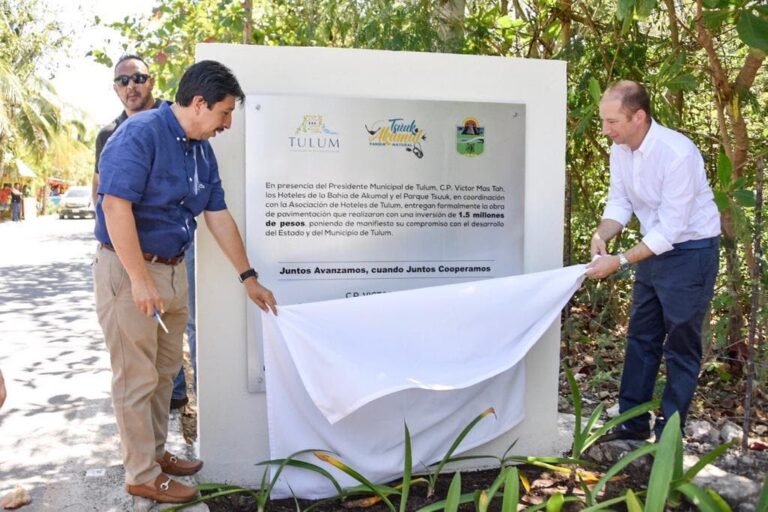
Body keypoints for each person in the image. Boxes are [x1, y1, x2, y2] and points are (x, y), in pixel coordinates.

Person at [93, 59, 278, 504]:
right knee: (135, 377)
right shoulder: (140, 134)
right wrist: (139, 279)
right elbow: (115, 207)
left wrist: (248, 277)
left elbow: (217, 215)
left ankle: (155, 454)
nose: (227, 124)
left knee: (164, 373)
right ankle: (141, 474)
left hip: (173, 270)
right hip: (130, 269)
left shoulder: (200, 150)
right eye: (225, 113)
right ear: (199, 103)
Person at [586, 80, 720, 442]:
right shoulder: (620, 150)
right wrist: (601, 235)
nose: (606, 130)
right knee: (641, 338)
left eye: (612, 121)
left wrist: (620, 261)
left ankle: (669, 433)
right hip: (651, 250)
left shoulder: (677, 153)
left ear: (639, 116)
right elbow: (619, 202)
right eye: (603, 121)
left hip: (690, 252)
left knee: (681, 346)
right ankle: (631, 422)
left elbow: (672, 229)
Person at [92, 54, 163, 205]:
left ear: (151, 82)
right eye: (122, 81)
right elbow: (99, 184)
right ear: (115, 89)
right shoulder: (108, 135)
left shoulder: (173, 120)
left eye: (138, 78)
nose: (131, 86)